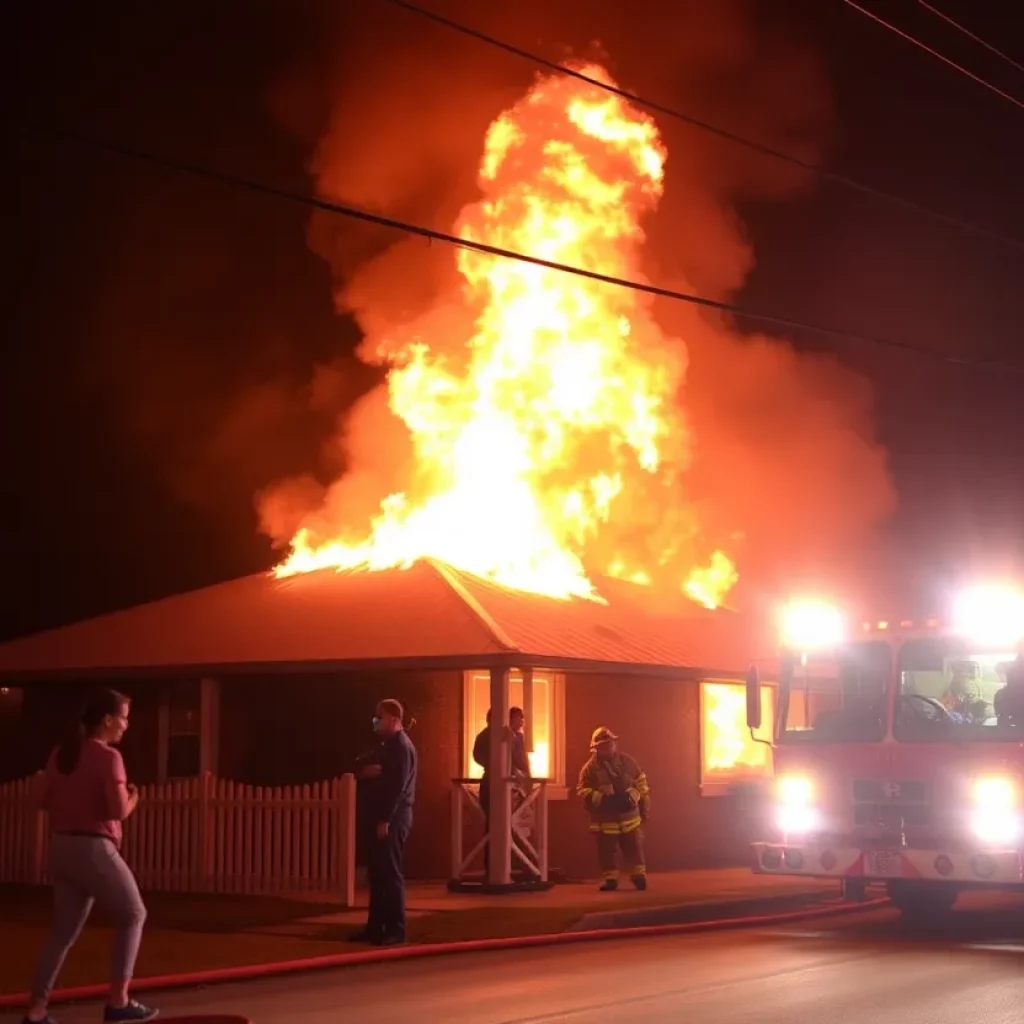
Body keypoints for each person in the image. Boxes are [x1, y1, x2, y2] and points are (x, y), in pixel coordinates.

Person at [23, 689, 156, 1024]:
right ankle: (118, 1001)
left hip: (62, 847)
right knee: (133, 913)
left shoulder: (61, 754)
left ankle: (36, 1011)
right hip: (94, 848)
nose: (127, 725)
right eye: (124, 717)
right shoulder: (108, 758)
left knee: (62, 932)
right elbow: (117, 810)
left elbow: (40, 800)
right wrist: (134, 797)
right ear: (108, 720)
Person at [350, 699, 417, 946]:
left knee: (390, 873)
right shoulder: (386, 746)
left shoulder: (401, 748)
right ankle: (375, 928)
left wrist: (385, 819)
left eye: (379, 717)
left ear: (393, 719)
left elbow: (397, 788)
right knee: (377, 874)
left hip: (392, 820)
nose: (375, 721)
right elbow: (360, 764)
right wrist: (362, 772)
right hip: (381, 818)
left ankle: (396, 930)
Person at [577, 726, 650, 892]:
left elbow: (642, 782)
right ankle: (610, 879)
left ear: (614, 744)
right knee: (607, 850)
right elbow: (582, 790)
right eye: (603, 746)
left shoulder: (627, 762)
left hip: (629, 815)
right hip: (605, 819)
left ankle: (638, 876)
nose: (607, 748)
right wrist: (602, 799)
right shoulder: (589, 769)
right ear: (596, 748)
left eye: (609, 744)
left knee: (633, 847)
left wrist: (635, 796)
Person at [472, 707, 530, 876]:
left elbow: (521, 761)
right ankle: (497, 868)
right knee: (497, 826)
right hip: (496, 788)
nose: (522, 721)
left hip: (516, 788)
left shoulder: (515, 737)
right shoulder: (488, 736)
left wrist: (524, 779)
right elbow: (480, 756)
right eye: (519, 717)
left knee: (516, 828)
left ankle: (517, 866)